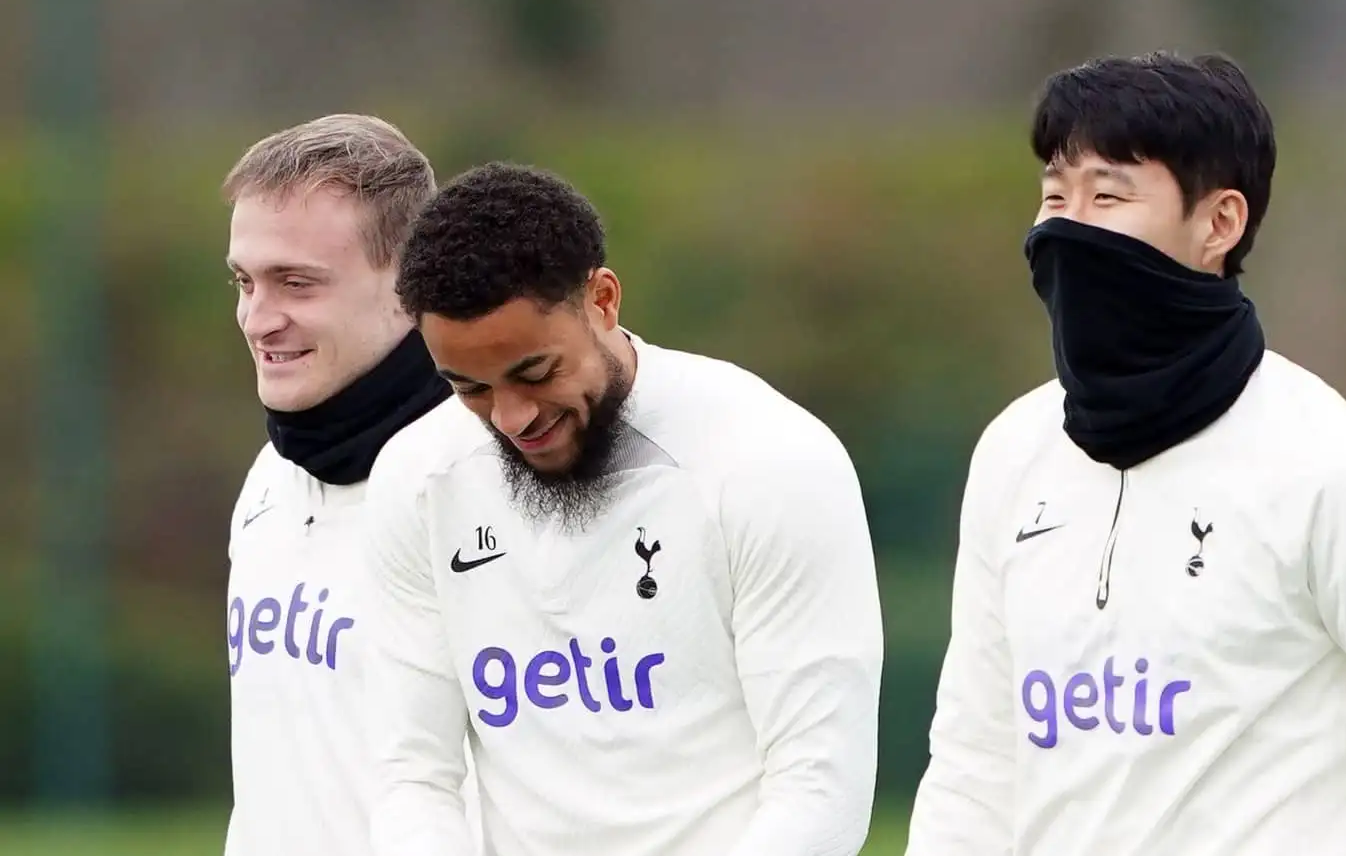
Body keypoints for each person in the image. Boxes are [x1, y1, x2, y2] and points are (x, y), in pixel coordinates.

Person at [904, 52, 1346, 855]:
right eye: (1055, 195)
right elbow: (976, 758)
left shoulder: (1337, 472)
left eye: (1109, 196)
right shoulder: (1015, 449)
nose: (1064, 227)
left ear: (1219, 225)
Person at [360, 162, 884, 856]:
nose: (512, 417)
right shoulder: (417, 476)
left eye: (536, 372)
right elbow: (412, 778)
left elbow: (820, 787)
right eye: (470, 388)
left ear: (602, 299)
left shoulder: (770, 460)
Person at [222, 114, 480, 855]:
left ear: (410, 285)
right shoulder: (272, 474)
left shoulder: (491, 482)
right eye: (244, 281)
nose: (257, 318)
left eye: (295, 283)